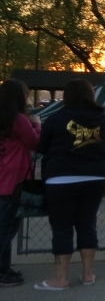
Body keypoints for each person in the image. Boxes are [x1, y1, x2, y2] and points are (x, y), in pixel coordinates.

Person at [35, 79, 105, 290]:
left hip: (61, 177)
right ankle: (88, 274)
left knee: (62, 226)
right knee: (87, 223)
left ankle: (61, 278)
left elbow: (42, 147)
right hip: (96, 177)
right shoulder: (104, 118)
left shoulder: (56, 118)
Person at [0, 79, 41, 288]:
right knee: (6, 229)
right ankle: (2, 271)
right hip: (13, 180)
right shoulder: (18, 119)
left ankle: (5, 268)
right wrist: (37, 124)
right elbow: (34, 142)